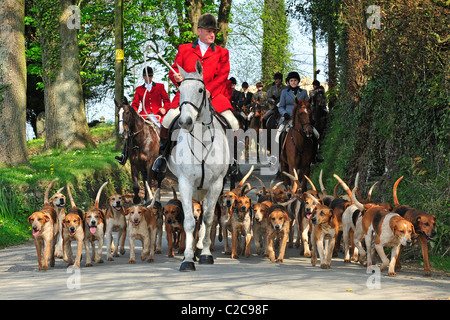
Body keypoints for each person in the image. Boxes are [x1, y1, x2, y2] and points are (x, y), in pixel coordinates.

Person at [152, 13, 239, 174]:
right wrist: (177, 78)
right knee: (168, 119)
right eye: (208, 31)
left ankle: (233, 161)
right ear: (199, 31)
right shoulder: (184, 50)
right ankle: (162, 157)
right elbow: (174, 70)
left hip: (213, 96)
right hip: (188, 97)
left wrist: (209, 90)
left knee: (233, 123)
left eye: (214, 31)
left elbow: (222, 75)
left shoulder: (222, 53)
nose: (212, 34)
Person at [115, 66, 170, 165]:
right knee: (130, 133)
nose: (148, 78)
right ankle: (124, 156)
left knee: (164, 133)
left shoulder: (160, 87)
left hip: (157, 116)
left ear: (152, 76)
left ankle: (165, 156)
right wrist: (135, 111)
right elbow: (135, 105)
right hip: (144, 116)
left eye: (150, 76)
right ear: (143, 77)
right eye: (146, 76)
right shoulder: (139, 89)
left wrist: (164, 108)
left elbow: (167, 101)